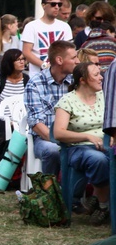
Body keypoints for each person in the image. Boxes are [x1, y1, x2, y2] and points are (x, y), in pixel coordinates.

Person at [53, 61, 110, 225]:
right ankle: (104, 206)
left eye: (100, 74)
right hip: (78, 148)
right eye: (96, 75)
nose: (101, 78)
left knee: (108, 157)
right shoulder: (68, 101)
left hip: (105, 145)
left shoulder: (105, 96)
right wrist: (87, 137)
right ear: (83, 80)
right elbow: (58, 132)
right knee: (98, 160)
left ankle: (96, 199)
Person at [24, 40, 78, 176]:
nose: (77, 61)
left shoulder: (76, 81)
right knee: (53, 150)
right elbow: (36, 124)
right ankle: (51, 190)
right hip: (44, 139)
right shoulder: (35, 83)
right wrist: (61, 140)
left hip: (74, 136)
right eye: (73, 58)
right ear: (59, 60)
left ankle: (75, 193)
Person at [21, 0, 73, 76]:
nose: (56, 7)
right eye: (53, 4)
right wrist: (44, 65)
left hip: (61, 76)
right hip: (38, 76)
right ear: (43, 5)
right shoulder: (31, 26)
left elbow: (69, 51)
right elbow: (26, 52)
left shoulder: (65, 27)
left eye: (59, 4)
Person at [0, 50, 28, 138]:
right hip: (1, 120)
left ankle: (6, 152)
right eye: (18, 60)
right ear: (9, 62)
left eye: (23, 59)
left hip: (22, 121)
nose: (22, 62)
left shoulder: (27, 80)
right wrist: (7, 119)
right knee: (9, 129)